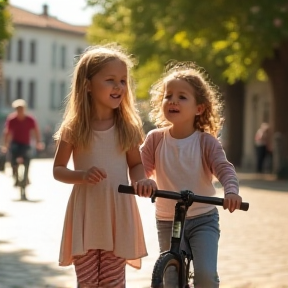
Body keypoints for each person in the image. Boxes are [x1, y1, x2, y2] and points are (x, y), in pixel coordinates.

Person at [52, 44, 156, 288]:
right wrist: (81, 175)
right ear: (87, 85)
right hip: (86, 215)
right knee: (87, 282)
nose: (119, 86)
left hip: (117, 215)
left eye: (122, 80)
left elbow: (136, 164)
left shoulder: (127, 126)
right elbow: (58, 169)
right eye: (110, 80)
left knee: (113, 283)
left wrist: (141, 180)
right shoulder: (74, 127)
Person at [140, 61, 242, 288]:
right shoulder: (155, 139)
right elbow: (140, 168)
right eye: (168, 96)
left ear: (199, 108)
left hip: (202, 219)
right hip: (168, 220)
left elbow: (225, 169)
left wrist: (231, 191)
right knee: (170, 278)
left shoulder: (205, 142)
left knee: (205, 276)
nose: (173, 100)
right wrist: (143, 181)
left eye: (182, 97)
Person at [2, 99, 43, 185]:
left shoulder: (30, 119)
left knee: (27, 159)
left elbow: (36, 131)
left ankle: (26, 177)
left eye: (21, 109)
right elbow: (7, 132)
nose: (20, 111)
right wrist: (5, 145)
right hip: (15, 143)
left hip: (25, 144)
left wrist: (38, 142)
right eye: (18, 109)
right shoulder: (11, 119)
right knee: (12, 158)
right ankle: (15, 175)